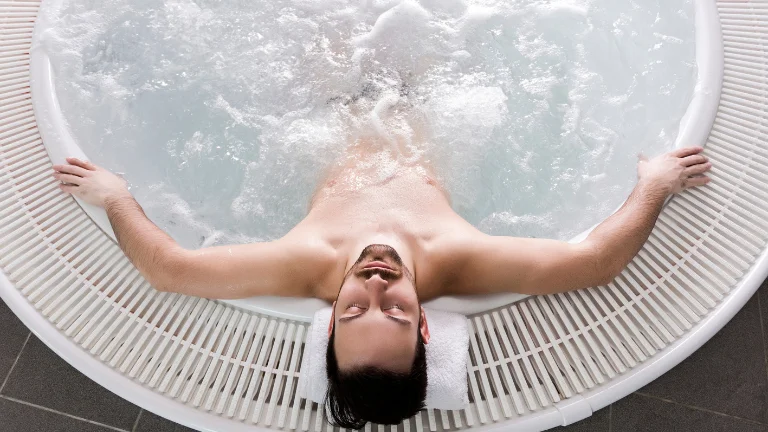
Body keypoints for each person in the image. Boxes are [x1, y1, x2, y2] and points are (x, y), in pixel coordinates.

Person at [51, 142, 711, 428]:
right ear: (426, 325)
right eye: (393, 311)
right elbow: (596, 260)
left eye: (353, 309)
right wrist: (653, 184)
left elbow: (169, 269)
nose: (374, 282)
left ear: (329, 322)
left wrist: (114, 198)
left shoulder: (306, 262)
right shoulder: (459, 257)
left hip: (331, 96)